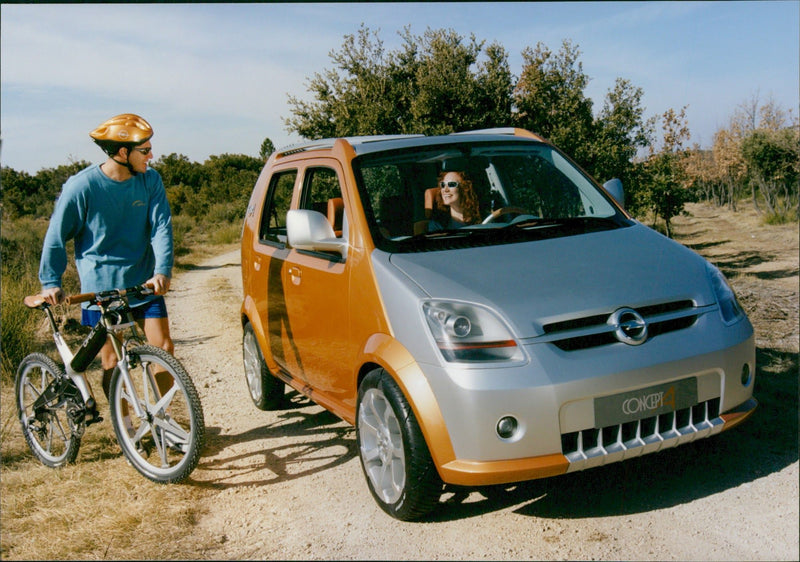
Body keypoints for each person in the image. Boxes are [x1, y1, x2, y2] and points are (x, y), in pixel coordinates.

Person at [38, 113, 174, 409]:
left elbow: (161, 225)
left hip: (143, 281)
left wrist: (162, 269)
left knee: (163, 348)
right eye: (145, 150)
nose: (151, 155)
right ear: (123, 152)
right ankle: (125, 428)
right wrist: (50, 281)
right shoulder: (82, 186)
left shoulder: (150, 180)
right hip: (102, 287)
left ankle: (165, 422)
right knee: (113, 361)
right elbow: (57, 234)